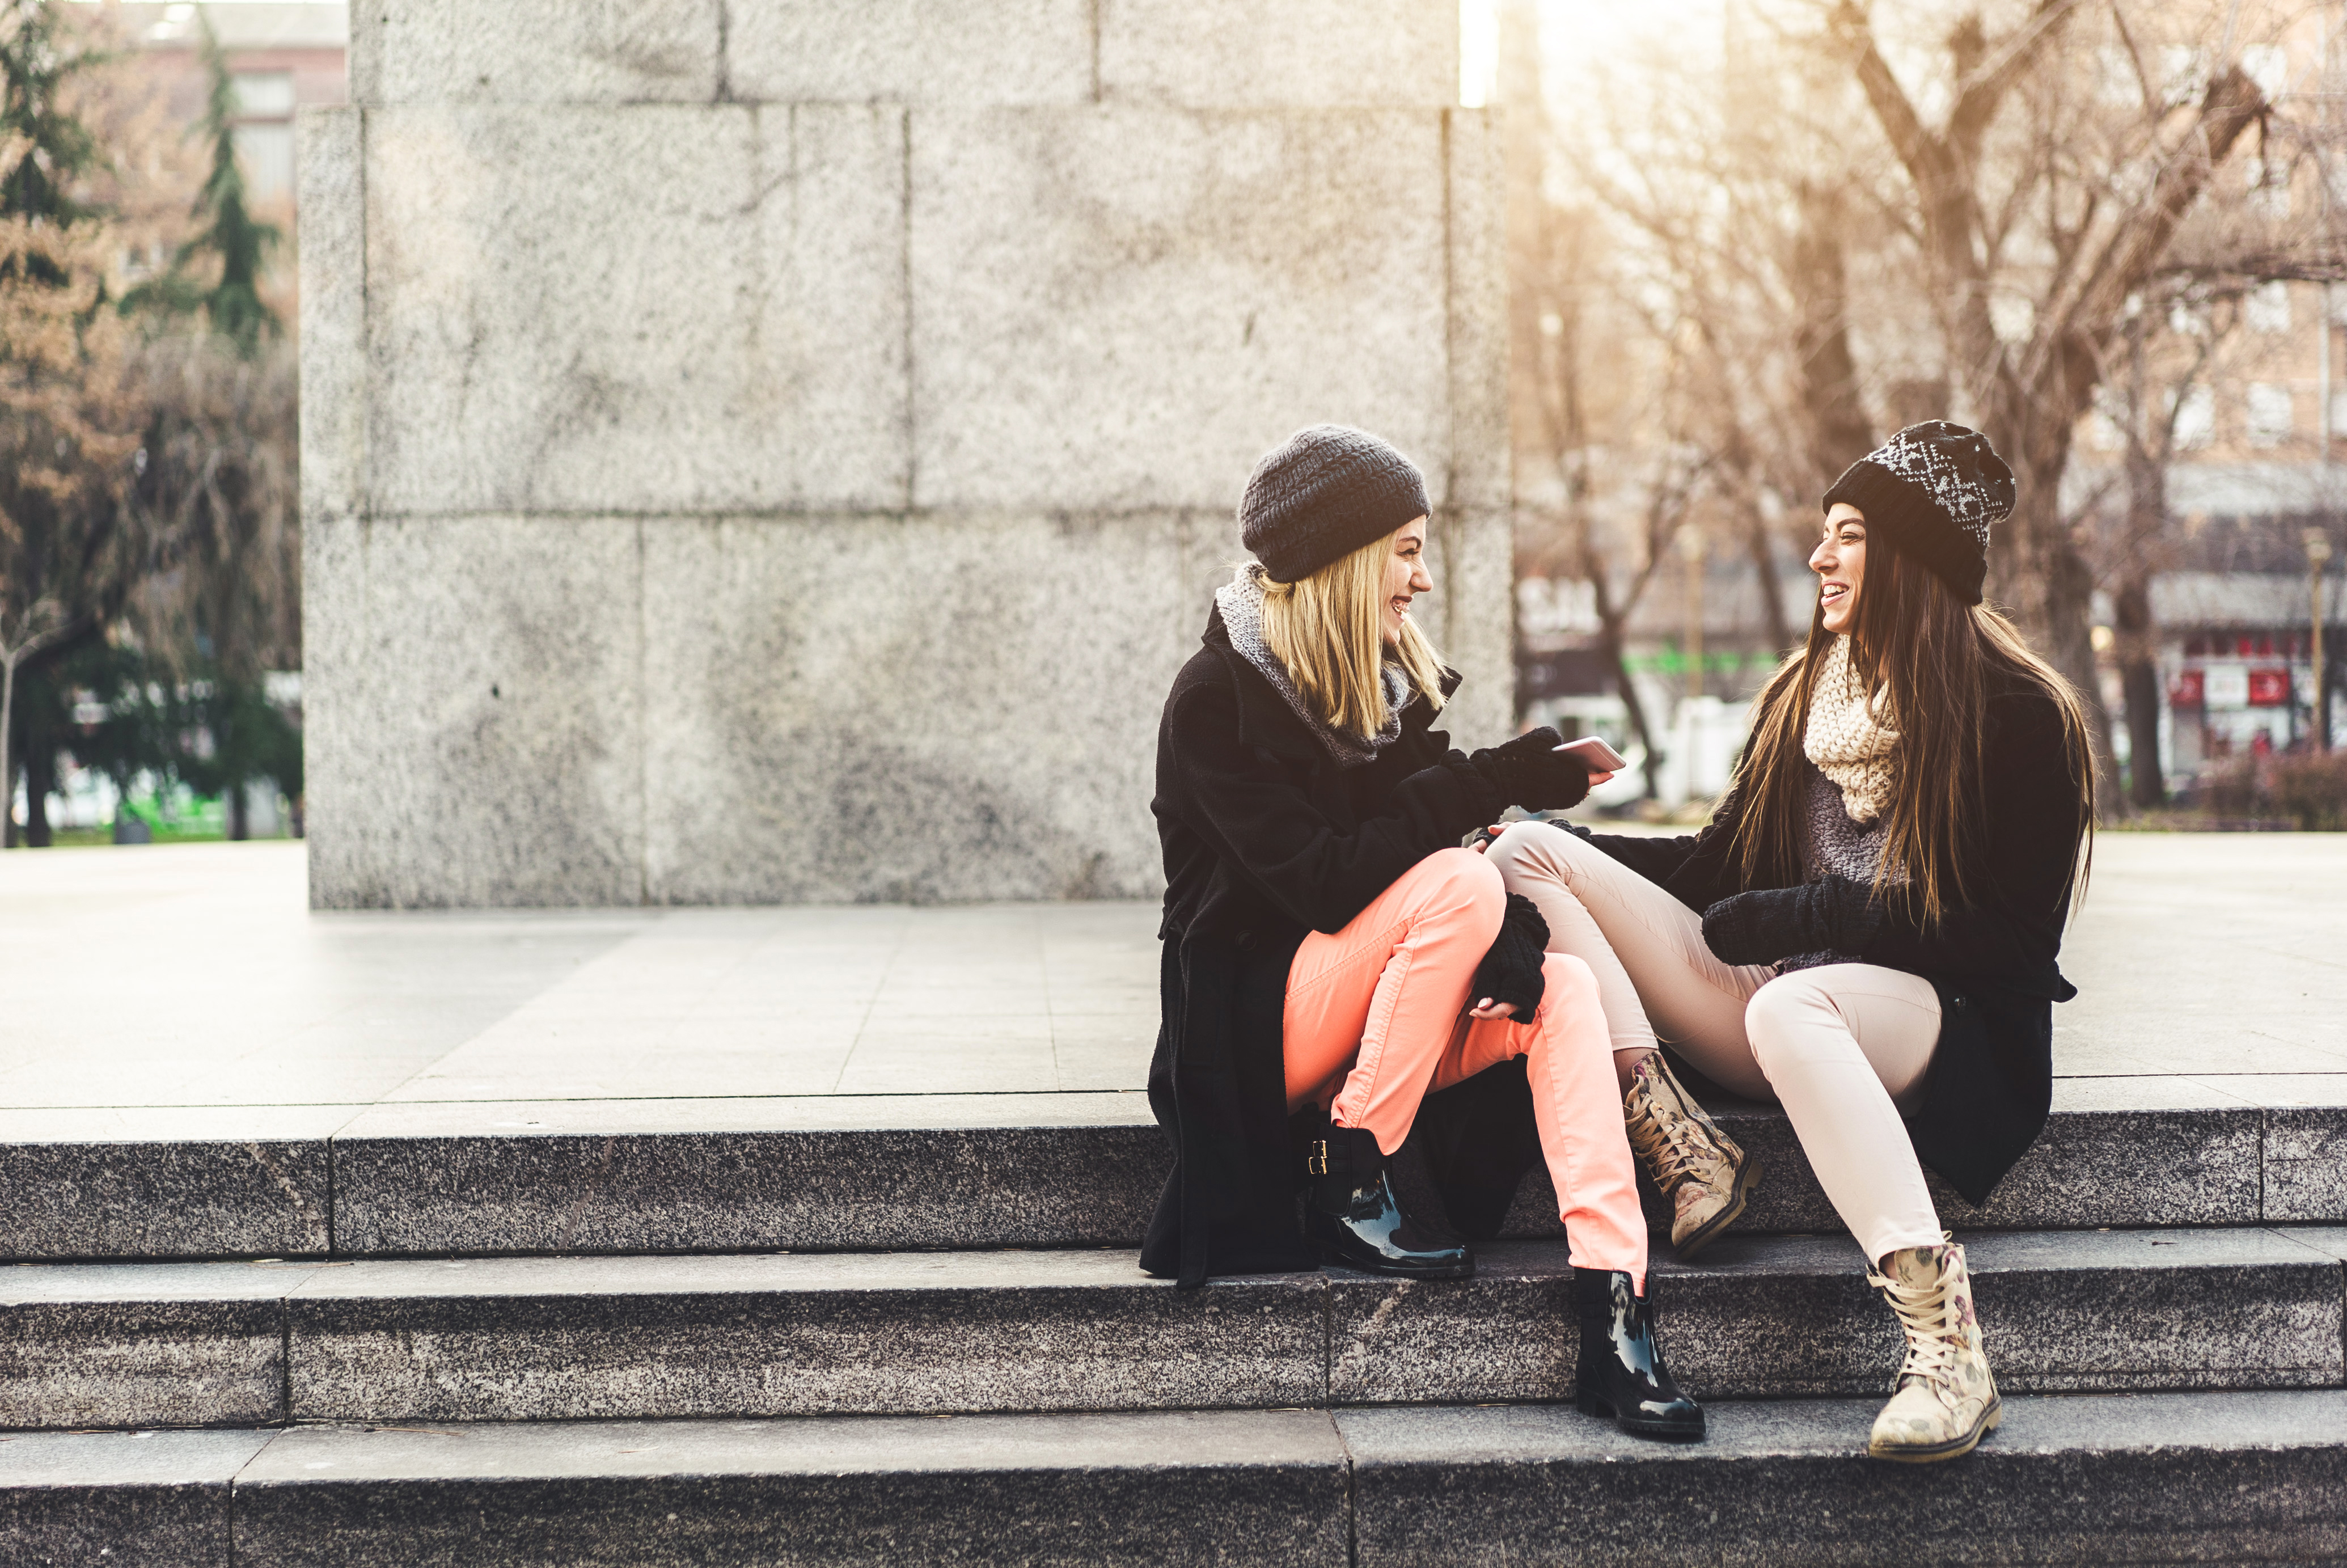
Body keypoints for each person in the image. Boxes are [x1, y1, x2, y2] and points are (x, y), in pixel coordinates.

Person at [1484, 421, 2094, 1463]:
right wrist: (1558, 831)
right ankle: (1680, 1140)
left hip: (1935, 1021)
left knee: (1785, 1001)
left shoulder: (2020, 715)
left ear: (1909, 559)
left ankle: (1948, 1351)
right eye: (1824, 534)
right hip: (1785, 1008)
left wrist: (1818, 916)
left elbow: (2011, 940)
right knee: (1525, 857)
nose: (1819, 557)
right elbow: (1715, 868)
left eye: (1847, 534)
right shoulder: (1807, 697)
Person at [1143, 424, 1703, 1440]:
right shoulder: (1213, 702)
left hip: (1366, 1028)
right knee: (1456, 882)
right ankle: (1350, 1168)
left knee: (1563, 993)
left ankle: (1615, 1314)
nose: (1423, 579)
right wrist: (1487, 790)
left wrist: (1507, 937)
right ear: (1341, 557)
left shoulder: (1367, 698)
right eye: (1406, 549)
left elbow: (1418, 856)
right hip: (1251, 1034)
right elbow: (1326, 882)